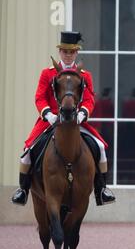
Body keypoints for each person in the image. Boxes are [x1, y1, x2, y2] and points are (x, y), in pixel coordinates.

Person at [11, 31, 116, 207]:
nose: (68, 55)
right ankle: (23, 190)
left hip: (76, 121)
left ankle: (101, 189)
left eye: (72, 52)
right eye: (65, 52)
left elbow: (90, 98)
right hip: (51, 120)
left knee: (100, 148)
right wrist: (47, 114)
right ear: (60, 52)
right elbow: (40, 97)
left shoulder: (85, 75)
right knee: (27, 151)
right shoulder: (47, 73)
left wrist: (83, 113)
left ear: (76, 53)